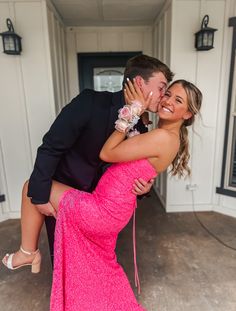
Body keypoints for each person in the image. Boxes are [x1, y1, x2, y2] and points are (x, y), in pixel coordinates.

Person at [2, 79, 202, 311]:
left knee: (31, 188)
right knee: (101, 267)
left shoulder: (162, 137)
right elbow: (138, 165)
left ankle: (27, 253)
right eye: (167, 94)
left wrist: (132, 112)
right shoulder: (162, 135)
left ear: (188, 113)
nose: (167, 100)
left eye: (177, 100)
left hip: (103, 210)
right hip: (113, 209)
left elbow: (107, 153)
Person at [26, 54, 174, 261]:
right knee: (64, 258)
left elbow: (129, 172)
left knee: (94, 262)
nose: (164, 95)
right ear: (140, 82)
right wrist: (40, 198)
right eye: (161, 87)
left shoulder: (141, 127)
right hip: (65, 196)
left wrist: (143, 189)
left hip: (101, 211)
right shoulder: (90, 102)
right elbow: (51, 147)